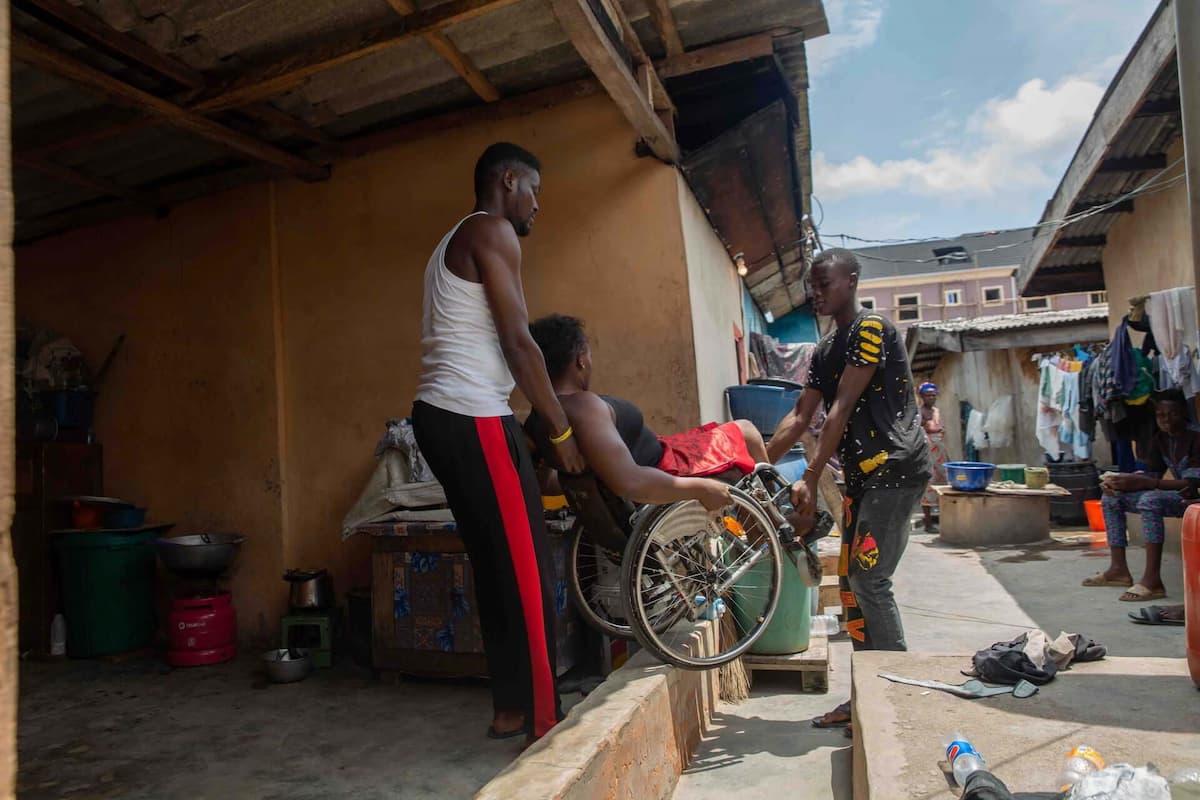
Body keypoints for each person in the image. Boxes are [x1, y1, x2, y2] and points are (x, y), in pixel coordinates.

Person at [411, 142, 587, 744]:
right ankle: (545, 719)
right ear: (508, 181)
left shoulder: (454, 240)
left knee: (495, 568)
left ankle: (511, 708)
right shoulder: (492, 230)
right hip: (473, 417)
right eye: (533, 191)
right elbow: (520, 342)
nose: (537, 205)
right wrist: (560, 430)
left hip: (441, 416)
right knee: (529, 569)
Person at [768, 248, 931, 732]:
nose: (816, 294)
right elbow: (801, 416)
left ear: (852, 282)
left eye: (825, 284)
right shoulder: (824, 350)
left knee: (868, 579)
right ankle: (864, 698)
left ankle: (897, 693)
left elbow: (838, 410)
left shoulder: (872, 330)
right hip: (862, 478)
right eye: (812, 287)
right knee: (852, 590)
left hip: (896, 470)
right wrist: (755, 464)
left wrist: (812, 474)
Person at [523, 313, 750, 509]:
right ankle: (767, 526)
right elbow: (630, 482)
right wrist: (701, 488)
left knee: (730, 431)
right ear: (581, 359)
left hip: (663, 453)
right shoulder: (583, 408)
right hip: (668, 470)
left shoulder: (540, 417)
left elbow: (547, 484)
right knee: (745, 430)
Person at [1085, 390, 1200, 602]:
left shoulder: (1196, 437)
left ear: (1183, 413)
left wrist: (1149, 483)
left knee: (1151, 500)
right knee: (1112, 498)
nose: (1165, 419)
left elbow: (1192, 484)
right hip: (1180, 496)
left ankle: (1152, 581)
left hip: (1195, 499)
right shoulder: (1161, 438)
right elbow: (1152, 474)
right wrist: (1122, 484)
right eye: (1160, 415)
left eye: (1171, 414)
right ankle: (1118, 570)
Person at [918, 382, 948, 533]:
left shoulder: (937, 411)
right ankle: (928, 523)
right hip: (928, 450)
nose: (931, 397)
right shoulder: (920, 413)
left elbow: (940, 429)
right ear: (922, 396)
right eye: (928, 395)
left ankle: (945, 521)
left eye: (933, 394)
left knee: (943, 483)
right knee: (929, 483)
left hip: (940, 452)